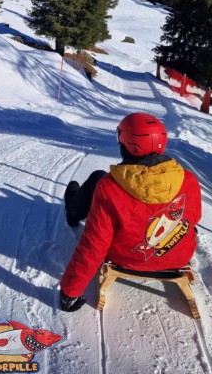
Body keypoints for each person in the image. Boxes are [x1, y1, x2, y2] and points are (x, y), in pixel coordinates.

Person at [58, 112, 202, 312]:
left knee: (98, 179)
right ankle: (74, 207)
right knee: (99, 178)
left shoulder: (110, 187)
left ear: (127, 144)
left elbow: (94, 245)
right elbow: (194, 217)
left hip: (127, 258)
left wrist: (69, 292)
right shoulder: (188, 179)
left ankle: (73, 211)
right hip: (178, 256)